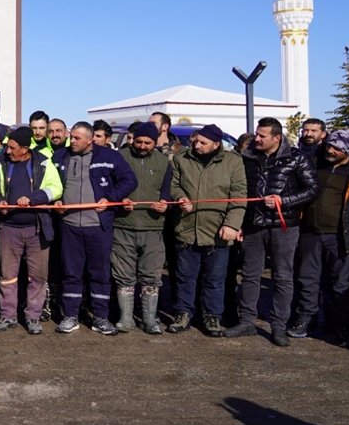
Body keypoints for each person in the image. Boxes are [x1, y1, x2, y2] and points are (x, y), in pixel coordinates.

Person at [226, 117, 319, 346]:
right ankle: (247, 320)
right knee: (249, 274)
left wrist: (284, 200)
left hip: (283, 226)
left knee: (283, 276)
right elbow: (238, 190)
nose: (256, 139)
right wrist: (237, 222)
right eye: (256, 134)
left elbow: (313, 189)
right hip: (252, 225)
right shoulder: (246, 157)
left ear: (277, 138)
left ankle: (278, 325)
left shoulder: (297, 158)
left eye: (262, 136)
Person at [50, 122, 137, 335]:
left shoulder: (109, 157)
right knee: (71, 272)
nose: (73, 141)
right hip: (69, 226)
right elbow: (51, 184)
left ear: (90, 140)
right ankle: (70, 316)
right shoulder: (60, 157)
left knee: (99, 273)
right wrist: (57, 201)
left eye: (78, 138)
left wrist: (111, 198)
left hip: (98, 226)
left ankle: (100, 317)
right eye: (72, 137)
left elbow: (129, 180)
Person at [288, 130, 349, 344]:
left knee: (341, 283)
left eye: (337, 148)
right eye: (329, 146)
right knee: (307, 279)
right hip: (311, 233)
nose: (331, 150)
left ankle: (342, 326)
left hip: (342, 236)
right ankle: (305, 318)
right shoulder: (315, 164)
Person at [167, 125, 246, 337]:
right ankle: (183, 313)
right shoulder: (181, 158)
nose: (197, 145)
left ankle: (212, 316)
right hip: (187, 227)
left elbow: (239, 195)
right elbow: (173, 185)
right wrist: (179, 197)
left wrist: (232, 224)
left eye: (203, 142)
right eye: (195, 141)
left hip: (217, 231)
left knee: (215, 278)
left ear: (216, 144)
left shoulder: (233, 162)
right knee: (185, 276)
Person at [0, 127, 62, 334]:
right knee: (7, 276)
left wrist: (34, 198)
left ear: (24, 149)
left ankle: (33, 317)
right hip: (8, 229)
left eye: (12, 148)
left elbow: (56, 188)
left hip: (37, 229)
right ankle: (8, 316)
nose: (7, 151)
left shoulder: (43, 162)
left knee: (37, 277)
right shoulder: (2, 162)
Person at [112, 122, 171, 334]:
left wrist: (164, 202)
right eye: (139, 141)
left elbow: (168, 189)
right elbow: (110, 187)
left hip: (153, 226)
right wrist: (120, 199)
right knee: (123, 275)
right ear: (132, 139)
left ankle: (149, 320)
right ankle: (125, 320)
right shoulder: (120, 157)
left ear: (155, 142)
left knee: (151, 276)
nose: (143, 146)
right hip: (123, 225)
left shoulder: (164, 162)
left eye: (148, 143)